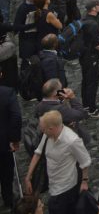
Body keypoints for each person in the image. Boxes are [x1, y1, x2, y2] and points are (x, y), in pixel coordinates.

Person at [24, 110, 91, 214]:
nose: (42, 132)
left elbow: (85, 161)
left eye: (43, 130)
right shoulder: (47, 134)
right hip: (53, 184)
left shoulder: (72, 140)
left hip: (66, 187)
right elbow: (37, 153)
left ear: (51, 128)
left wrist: (84, 181)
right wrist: (28, 177)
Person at [0, 83, 21, 212]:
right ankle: (8, 199)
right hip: (3, 143)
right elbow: (16, 117)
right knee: (6, 174)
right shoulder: (7, 92)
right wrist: (15, 139)